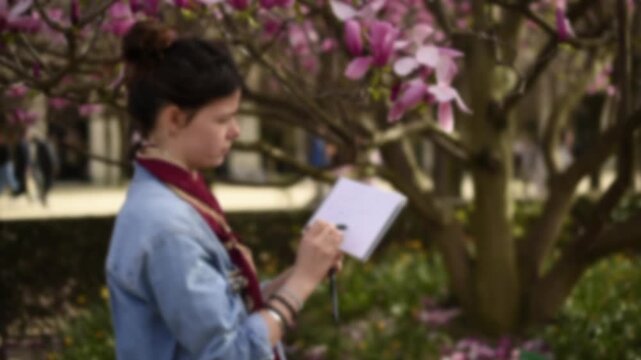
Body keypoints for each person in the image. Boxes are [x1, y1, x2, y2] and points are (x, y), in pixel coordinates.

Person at [105, 20, 344, 360]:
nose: (236, 131)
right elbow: (232, 351)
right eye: (222, 119)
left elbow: (222, 313)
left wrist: (306, 270)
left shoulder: (172, 194)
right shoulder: (167, 227)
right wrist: (301, 284)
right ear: (174, 119)